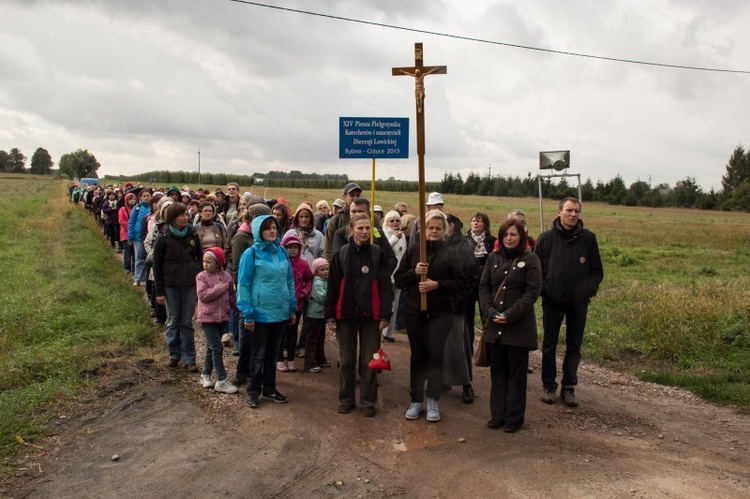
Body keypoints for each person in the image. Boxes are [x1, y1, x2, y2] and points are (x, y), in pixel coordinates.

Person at [395, 210, 464, 423]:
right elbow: (398, 280)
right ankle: (416, 400)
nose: (434, 231)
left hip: (441, 313)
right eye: (430, 228)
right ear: (422, 230)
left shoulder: (452, 252)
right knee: (418, 356)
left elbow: (461, 283)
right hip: (415, 311)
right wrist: (414, 273)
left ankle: (433, 399)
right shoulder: (414, 251)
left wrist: (438, 285)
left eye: (438, 228)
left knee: (435, 355)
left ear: (444, 230)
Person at [534, 197, 604, 408]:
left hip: (578, 303)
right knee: (549, 345)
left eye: (576, 211)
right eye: (569, 210)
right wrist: (546, 290)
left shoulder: (588, 239)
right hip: (552, 301)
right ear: (559, 212)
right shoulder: (546, 239)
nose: (573, 215)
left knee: (574, 345)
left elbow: (597, 271)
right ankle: (548, 385)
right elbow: (536, 271)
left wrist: (587, 290)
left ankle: (569, 387)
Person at [325, 214, 393, 417]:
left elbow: (385, 287)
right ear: (351, 231)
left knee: (369, 362)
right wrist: (329, 316)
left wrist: (385, 315)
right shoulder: (341, 254)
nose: (364, 232)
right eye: (360, 228)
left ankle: (367, 401)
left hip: (371, 317)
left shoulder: (377, 254)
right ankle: (345, 399)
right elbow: (333, 286)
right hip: (345, 316)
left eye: (367, 228)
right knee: (346, 361)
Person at [479, 218, 542, 432]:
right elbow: (484, 287)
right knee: (498, 373)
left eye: (513, 234)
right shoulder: (492, 258)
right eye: (505, 234)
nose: (509, 238)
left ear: (521, 237)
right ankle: (497, 415)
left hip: (518, 328)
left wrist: (510, 314)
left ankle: (514, 419)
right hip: (495, 326)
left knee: (516, 375)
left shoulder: (531, 259)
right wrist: (490, 311)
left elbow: (532, 292)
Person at [236, 214, 297, 409]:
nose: (272, 231)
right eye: (267, 228)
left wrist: (291, 308)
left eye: (274, 227)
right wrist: (247, 312)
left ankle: (269, 389)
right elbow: (243, 284)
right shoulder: (250, 254)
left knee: (272, 354)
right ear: (258, 231)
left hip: (280, 312)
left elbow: (289, 281)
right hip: (259, 313)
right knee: (258, 354)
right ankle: (253, 391)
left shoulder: (282, 252)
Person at [153, 202, 203, 371]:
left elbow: (199, 259)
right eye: (181, 215)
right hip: (171, 286)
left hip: (189, 285)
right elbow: (157, 266)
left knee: (187, 322)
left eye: (186, 214)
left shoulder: (192, 234)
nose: (185, 217)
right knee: (173, 320)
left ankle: (190, 358)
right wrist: (159, 291)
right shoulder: (163, 237)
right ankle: (174, 354)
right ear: (173, 217)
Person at [443, 213, 478, 404]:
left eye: (443, 225)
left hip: (455, 306)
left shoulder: (463, 246)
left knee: (459, 348)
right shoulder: (438, 244)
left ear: (452, 226)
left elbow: (470, 278)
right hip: (438, 306)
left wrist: (457, 302)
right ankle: (443, 382)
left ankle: (466, 385)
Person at [196, 247, 239, 394]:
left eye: (209, 262)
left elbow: (232, 296)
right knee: (217, 348)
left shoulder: (226, 276)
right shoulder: (201, 277)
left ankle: (205, 374)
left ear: (218, 263)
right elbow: (203, 295)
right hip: (207, 317)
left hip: (222, 317)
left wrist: (238, 308)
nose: (205, 264)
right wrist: (221, 288)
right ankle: (221, 380)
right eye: (204, 261)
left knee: (211, 347)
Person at [277, 233, 313, 372]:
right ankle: (279, 359)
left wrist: (305, 291)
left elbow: (309, 278)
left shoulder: (303, 264)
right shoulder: (280, 263)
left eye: (295, 247)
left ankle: (291, 359)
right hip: (280, 304)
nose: (292, 250)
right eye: (289, 247)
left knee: (293, 332)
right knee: (280, 332)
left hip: (297, 304)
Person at [464, 212, 496, 348]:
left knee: (486, 317)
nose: (475, 223)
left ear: (485, 225)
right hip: (469, 283)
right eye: (473, 221)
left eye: (479, 221)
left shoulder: (492, 241)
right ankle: (467, 347)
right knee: (467, 317)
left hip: (486, 284)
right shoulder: (464, 240)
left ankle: (487, 349)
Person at [381, 210, 407, 342]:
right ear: (387, 222)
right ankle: (380, 329)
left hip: (398, 274)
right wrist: (394, 239)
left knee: (395, 304)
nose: (395, 223)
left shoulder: (402, 235)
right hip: (386, 273)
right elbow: (384, 251)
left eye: (397, 220)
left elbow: (404, 254)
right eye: (392, 220)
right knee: (384, 302)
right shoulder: (383, 233)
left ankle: (389, 332)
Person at [303, 258, 330, 373]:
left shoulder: (325, 281)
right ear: (316, 271)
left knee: (320, 338)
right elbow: (323, 297)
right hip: (315, 314)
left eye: (327, 269)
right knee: (313, 339)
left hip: (321, 314)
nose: (325, 271)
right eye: (322, 269)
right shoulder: (318, 283)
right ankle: (309, 363)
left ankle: (320, 359)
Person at [324, 182, 362, 262]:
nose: (355, 198)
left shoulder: (371, 218)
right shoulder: (336, 220)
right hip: (343, 263)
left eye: (358, 195)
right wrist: (333, 267)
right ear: (344, 197)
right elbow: (329, 246)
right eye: (352, 195)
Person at [128, 188, 152, 286]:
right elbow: (131, 222)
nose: (146, 198)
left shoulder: (153, 208)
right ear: (140, 197)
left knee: (149, 258)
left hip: (150, 237)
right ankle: (138, 279)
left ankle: (148, 278)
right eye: (144, 196)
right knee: (139, 258)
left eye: (148, 196)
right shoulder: (137, 208)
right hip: (138, 237)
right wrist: (130, 237)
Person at [119, 192, 136, 274]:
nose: (132, 201)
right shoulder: (122, 209)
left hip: (135, 234)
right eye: (130, 199)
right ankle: (127, 267)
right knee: (127, 252)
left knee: (134, 252)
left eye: (134, 199)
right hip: (125, 234)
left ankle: (134, 269)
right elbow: (121, 221)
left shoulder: (137, 209)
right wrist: (130, 226)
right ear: (126, 200)